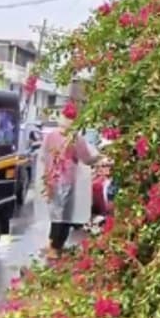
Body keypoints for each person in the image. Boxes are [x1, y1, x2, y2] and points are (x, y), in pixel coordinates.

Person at [41, 103, 99, 259]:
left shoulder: (50, 136)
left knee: (55, 215)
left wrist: (47, 175)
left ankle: (51, 243)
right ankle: (55, 247)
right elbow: (87, 159)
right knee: (65, 217)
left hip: (51, 180)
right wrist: (99, 156)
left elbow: (43, 157)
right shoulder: (75, 139)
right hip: (66, 181)